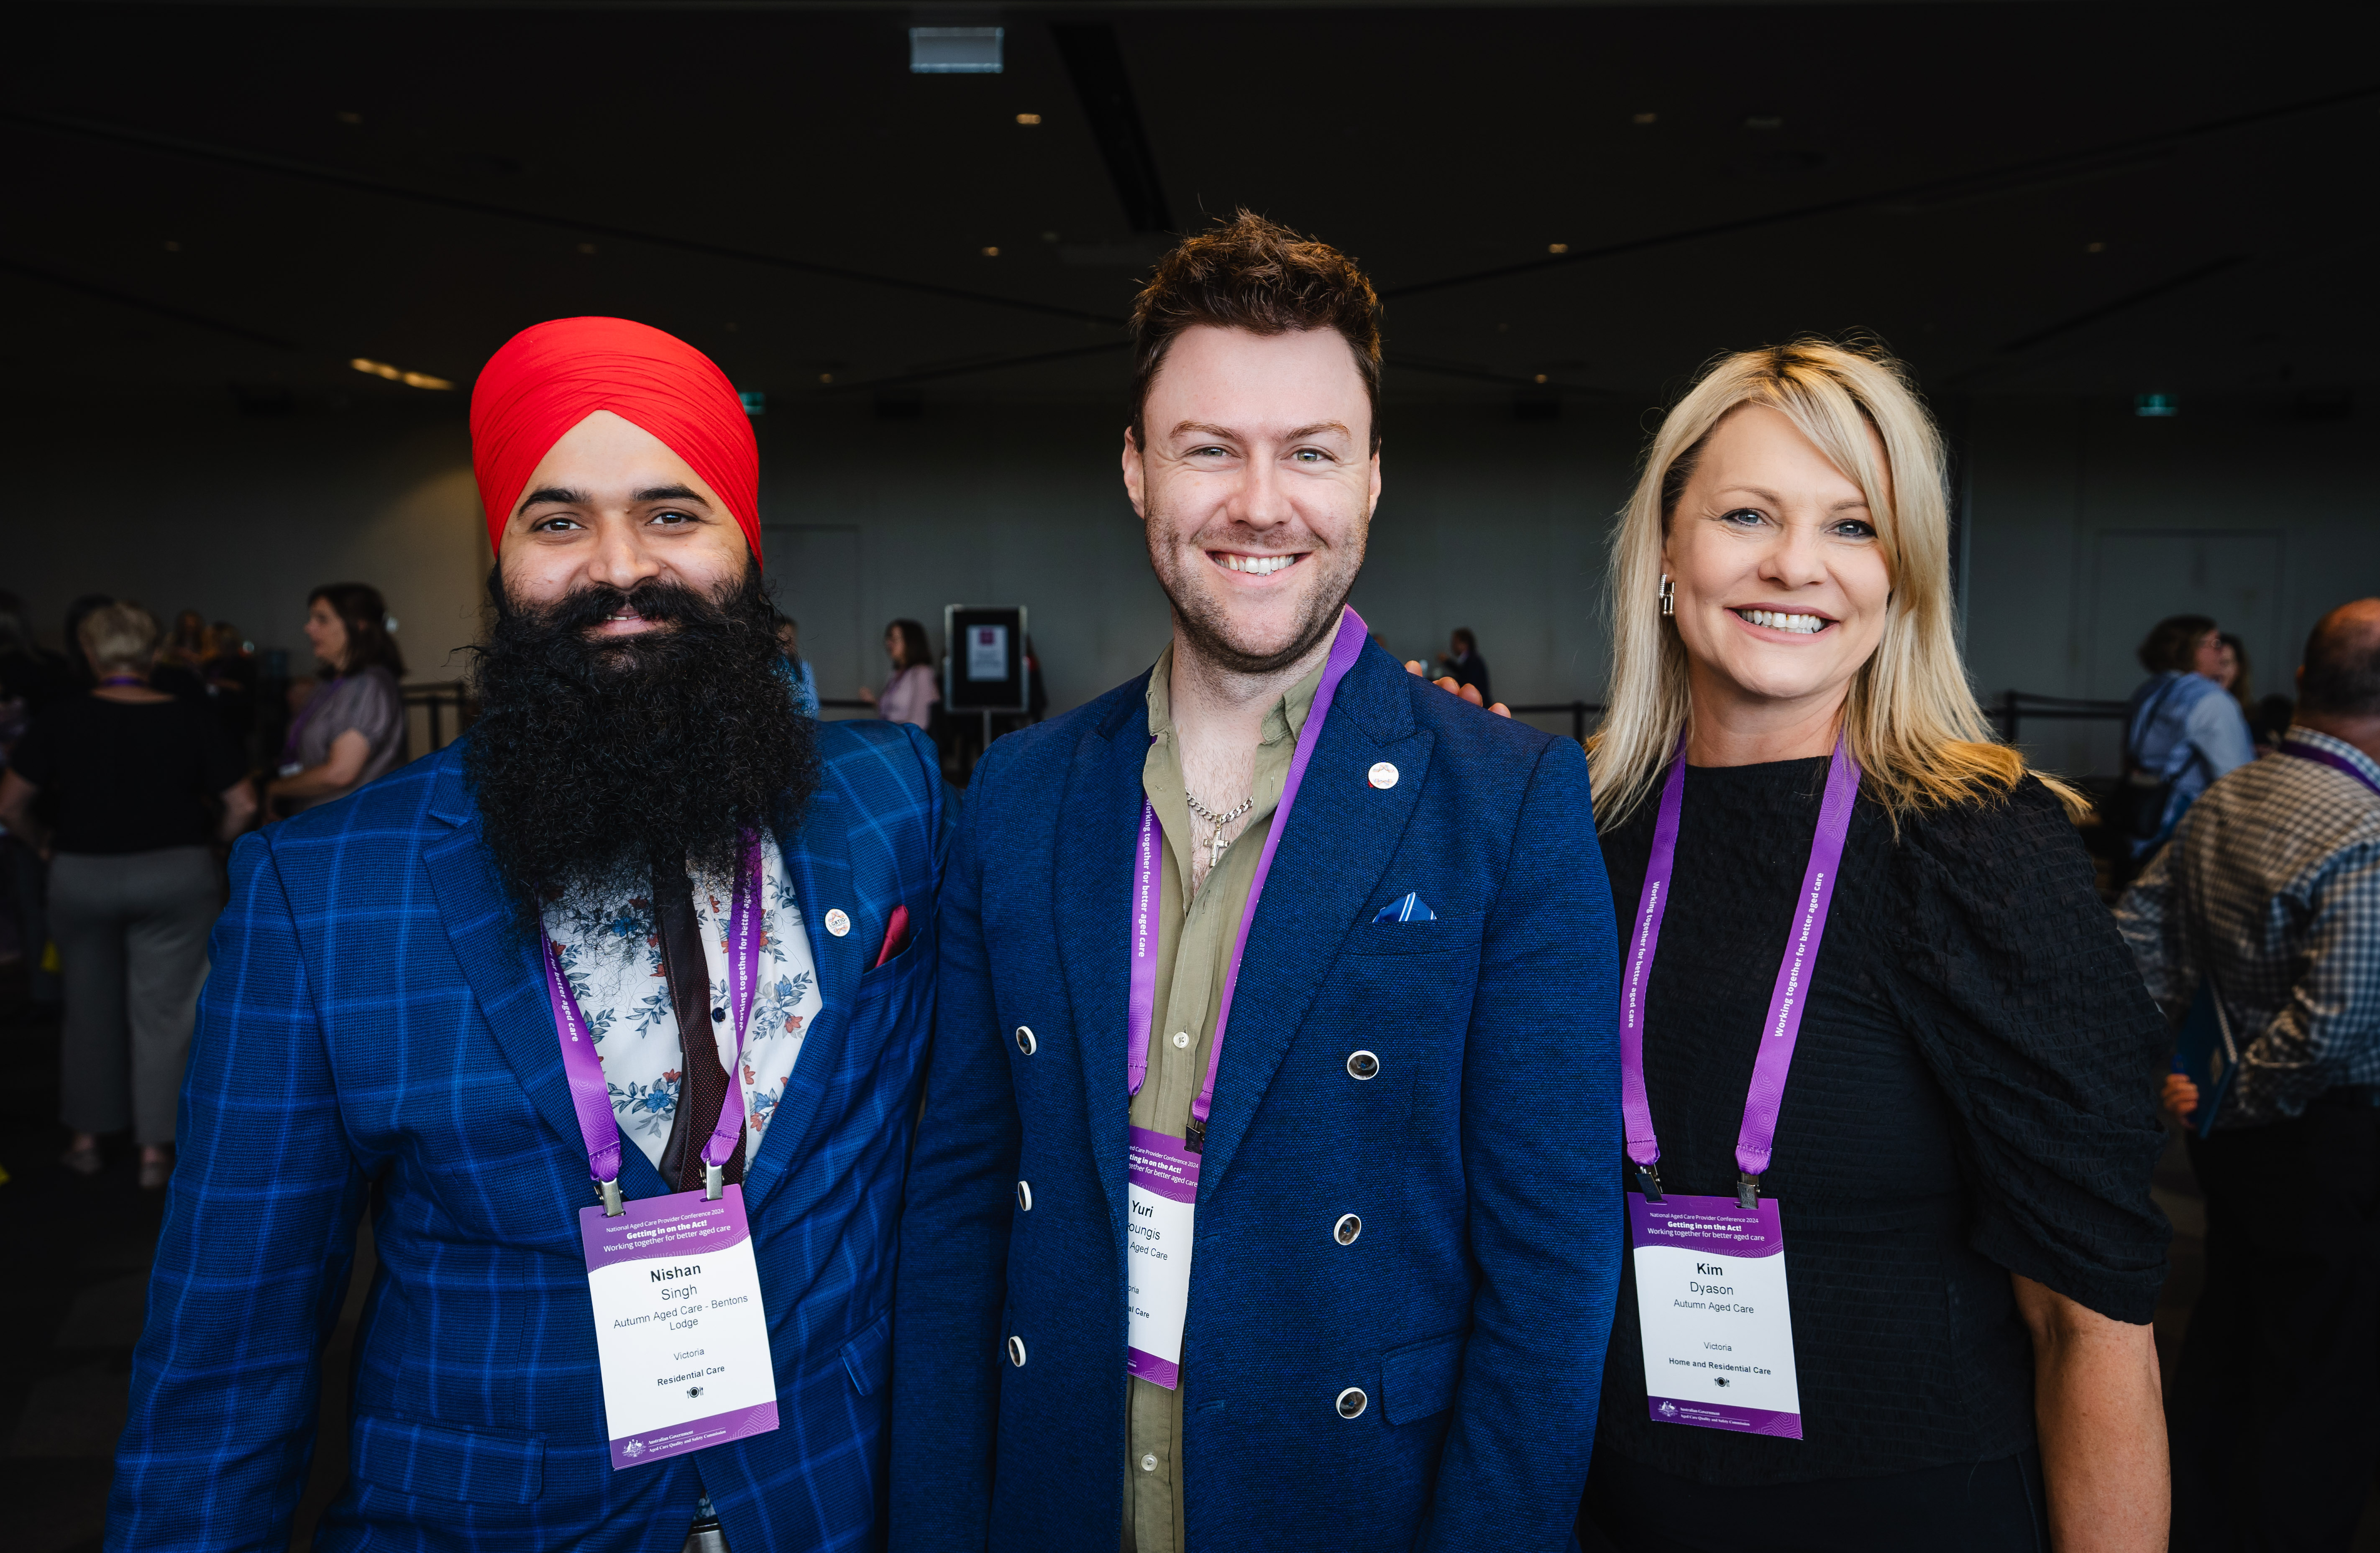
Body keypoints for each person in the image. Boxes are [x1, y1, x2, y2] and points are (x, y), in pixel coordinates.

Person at [108, 317, 950, 1552]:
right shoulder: (326, 888)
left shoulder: (891, 802)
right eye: (558, 521)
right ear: (501, 559)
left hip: (831, 1503)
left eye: (673, 512)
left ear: (746, 550)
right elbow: (225, 1353)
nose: (619, 567)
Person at [891, 213, 1622, 1553]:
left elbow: (1555, 1273)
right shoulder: (1019, 792)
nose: (1261, 501)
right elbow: (955, 1213)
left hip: (1351, 1503)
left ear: (1374, 476)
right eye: (1209, 448)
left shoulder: (1510, 802)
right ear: (1135, 469)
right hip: (1059, 1495)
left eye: (1311, 452)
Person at [1572, 340, 2170, 1552]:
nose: (1796, 563)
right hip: (1610, 1503)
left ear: (1904, 580)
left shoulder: (1980, 855)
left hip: (1911, 1506)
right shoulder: (1573, 838)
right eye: (1746, 513)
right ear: (1665, 556)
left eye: (1853, 526)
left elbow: (2089, 1323)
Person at [2116, 599, 2380, 1551]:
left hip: (2227, 1148)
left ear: (2301, 682)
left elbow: (2135, 943)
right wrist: (2231, 1094)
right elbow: (2330, 1029)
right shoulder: (2364, 827)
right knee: (2322, 1382)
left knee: (2228, 1347)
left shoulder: (2224, 797)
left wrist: (2179, 1074)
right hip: (2324, 1141)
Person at [0, 602, 252, 1189]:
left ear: (89, 654)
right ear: (153, 653)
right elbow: (240, 802)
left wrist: (44, 845)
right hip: (175, 874)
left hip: (81, 875)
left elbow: (10, 804)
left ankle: (87, 1141)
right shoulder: (190, 716)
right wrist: (214, 845)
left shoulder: (61, 718)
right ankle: (154, 1153)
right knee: (167, 1014)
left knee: (88, 1006)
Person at [263, 582, 407, 816]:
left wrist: (274, 789)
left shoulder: (368, 684)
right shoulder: (331, 683)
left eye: (322, 619)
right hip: (325, 819)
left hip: (351, 825)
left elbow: (340, 773)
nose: (309, 628)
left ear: (358, 625)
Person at [2122, 614, 2254, 857]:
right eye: (2214, 644)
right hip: (2184, 828)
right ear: (2187, 649)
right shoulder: (2211, 699)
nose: (2221, 651)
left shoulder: (2149, 690)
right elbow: (2236, 778)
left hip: (2139, 814)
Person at [860, 618, 938, 729]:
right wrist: (875, 703)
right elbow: (892, 713)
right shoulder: (896, 673)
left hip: (903, 742)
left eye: (895, 639)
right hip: (891, 737)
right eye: (888, 638)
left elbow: (919, 723)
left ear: (911, 642)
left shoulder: (922, 673)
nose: (889, 643)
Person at [773, 612, 820, 716]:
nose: (790, 641)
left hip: (804, 724)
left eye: (792, 636)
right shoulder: (768, 666)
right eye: (784, 636)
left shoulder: (804, 667)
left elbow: (814, 706)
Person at [1436, 626, 1492, 706]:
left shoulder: (1473, 661)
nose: (1453, 646)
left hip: (1480, 707)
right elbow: (1461, 672)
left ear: (1465, 644)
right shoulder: (1471, 659)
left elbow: (1465, 680)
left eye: (1455, 643)